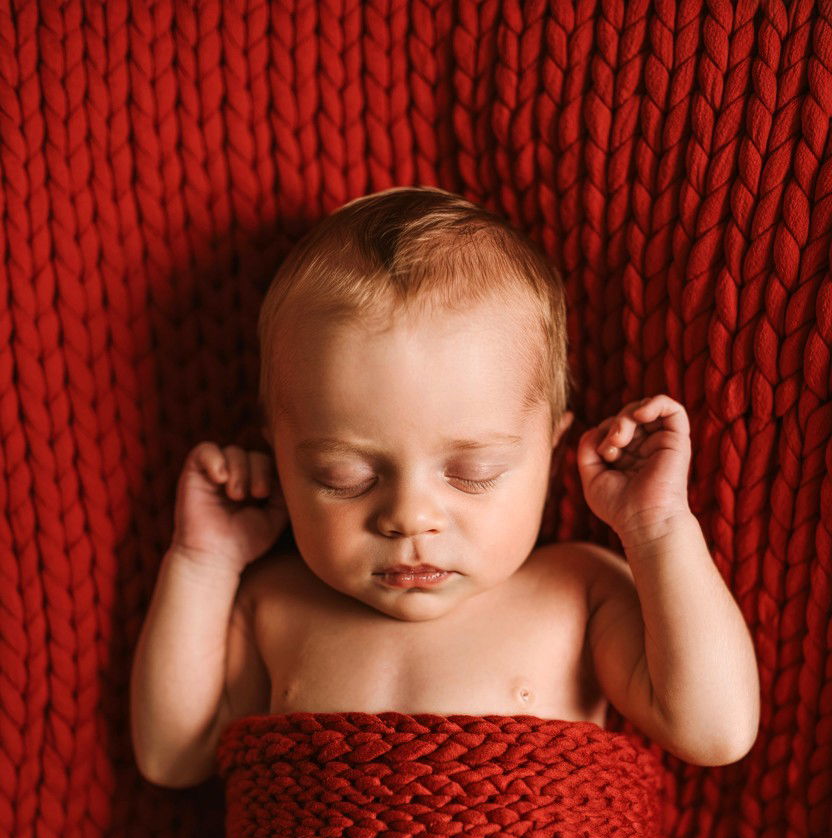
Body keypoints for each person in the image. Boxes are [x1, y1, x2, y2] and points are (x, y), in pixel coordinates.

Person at [129, 185, 760, 788]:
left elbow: (716, 730)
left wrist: (656, 530)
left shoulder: (577, 594)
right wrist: (204, 563)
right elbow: (171, 755)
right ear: (282, 460)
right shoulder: (274, 605)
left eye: (473, 474)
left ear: (551, 450)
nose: (410, 517)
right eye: (342, 478)